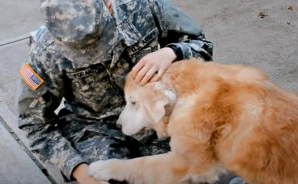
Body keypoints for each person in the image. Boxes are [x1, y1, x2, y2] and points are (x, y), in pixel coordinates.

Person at [17, 0, 242, 183]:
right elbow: (34, 124)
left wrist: (172, 52)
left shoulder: (141, 6)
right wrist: (77, 168)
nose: (99, 56)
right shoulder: (45, 54)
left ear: (107, 6)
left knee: (204, 171)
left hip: (159, 119)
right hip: (96, 129)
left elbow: (201, 44)